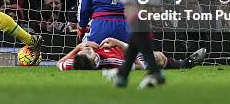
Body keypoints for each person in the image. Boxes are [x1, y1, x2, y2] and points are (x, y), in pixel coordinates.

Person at [58, 37, 206, 71]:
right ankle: (185, 63)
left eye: (86, 50)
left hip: (109, 41)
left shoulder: (74, 62)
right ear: (94, 62)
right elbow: (139, 66)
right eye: (89, 52)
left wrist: (78, 47)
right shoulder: (112, 63)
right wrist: (120, 44)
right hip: (125, 53)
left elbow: (59, 63)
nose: (87, 49)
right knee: (157, 56)